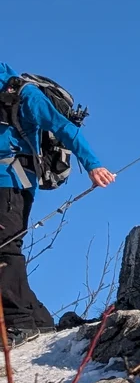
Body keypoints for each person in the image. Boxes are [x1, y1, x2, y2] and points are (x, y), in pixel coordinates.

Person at [0, 63, 114, 336]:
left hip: (12, 183)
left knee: (4, 249)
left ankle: (20, 324)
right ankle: (39, 322)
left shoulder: (22, 94)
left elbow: (64, 128)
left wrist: (93, 165)